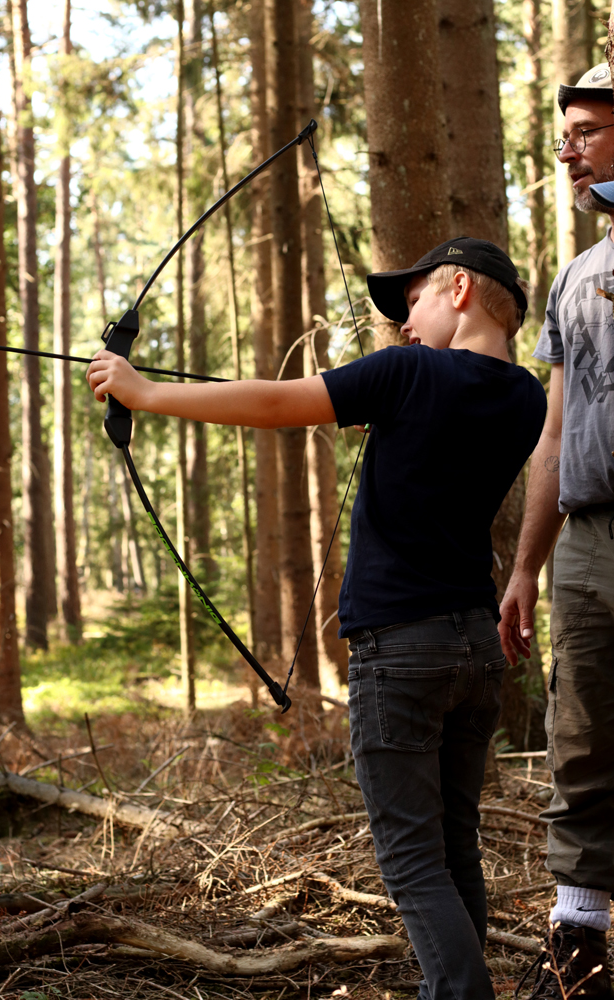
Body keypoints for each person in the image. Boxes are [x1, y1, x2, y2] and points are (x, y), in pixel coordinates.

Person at [87, 236, 546, 1000]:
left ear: (459, 289)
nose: (403, 326)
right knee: (452, 847)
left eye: (415, 303)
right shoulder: (525, 396)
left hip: (400, 649)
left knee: (408, 859)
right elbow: (440, 427)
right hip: (472, 649)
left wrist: (145, 390)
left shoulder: (405, 373)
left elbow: (274, 403)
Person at [499, 63, 614, 1000]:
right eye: (563, 136)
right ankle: (577, 952)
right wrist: (526, 567)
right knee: (579, 741)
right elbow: (552, 430)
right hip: (587, 540)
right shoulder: (574, 275)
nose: (567, 153)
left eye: (587, 133)